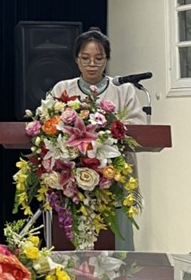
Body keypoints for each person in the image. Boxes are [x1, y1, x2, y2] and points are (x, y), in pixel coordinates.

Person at [49, 27, 145, 251]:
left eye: (98, 58)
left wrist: (105, 133)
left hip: (114, 181)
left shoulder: (124, 90)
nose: (92, 64)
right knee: (72, 250)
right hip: (72, 186)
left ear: (107, 59)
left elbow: (138, 129)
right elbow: (50, 127)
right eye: (85, 58)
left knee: (119, 250)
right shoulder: (62, 89)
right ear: (76, 59)